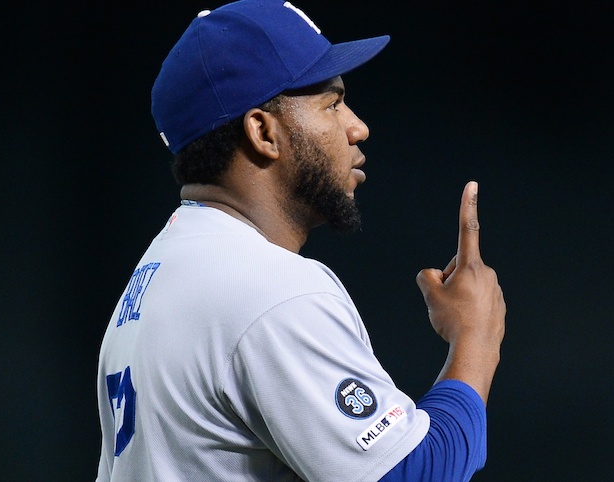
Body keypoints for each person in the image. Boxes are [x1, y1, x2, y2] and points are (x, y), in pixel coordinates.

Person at [95, 1, 506, 481]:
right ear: (263, 131)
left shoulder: (155, 274)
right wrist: (476, 339)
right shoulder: (269, 289)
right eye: (331, 104)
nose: (357, 126)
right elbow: (415, 474)